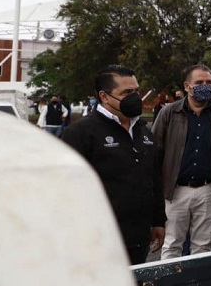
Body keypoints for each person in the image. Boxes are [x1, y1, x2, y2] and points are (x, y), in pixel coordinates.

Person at [61, 65, 165, 264]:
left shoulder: (144, 132)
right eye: (126, 92)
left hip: (138, 238)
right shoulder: (81, 132)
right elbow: (67, 189)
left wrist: (158, 221)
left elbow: (154, 179)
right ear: (105, 96)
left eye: (136, 91)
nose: (135, 97)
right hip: (99, 240)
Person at [152, 64, 211, 259]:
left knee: (202, 246)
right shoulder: (169, 113)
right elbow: (155, 152)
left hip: (208, 190)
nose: (205, 86)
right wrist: (154, 190)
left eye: (210, 83)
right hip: (176, 191)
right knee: (172, 245)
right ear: (187, 86)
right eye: (199, 83)